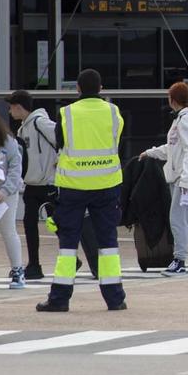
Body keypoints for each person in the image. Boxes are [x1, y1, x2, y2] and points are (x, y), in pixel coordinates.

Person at [35, 69, 127, 313]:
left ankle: (60, 299)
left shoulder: (66, 114)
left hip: (73, 187)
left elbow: (60, 143)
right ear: (101, 88)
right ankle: (114, 299)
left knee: (68, 245)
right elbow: (116, 141)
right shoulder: (113, 112)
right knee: (108, 243)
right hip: (106, 185)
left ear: (77, 88)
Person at [142, 81, 188, 276]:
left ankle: (179, 260)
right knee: (186, 217)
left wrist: (186, 180)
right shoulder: (182, 119)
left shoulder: (186, 120)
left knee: (177, 217)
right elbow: (174, 149)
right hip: (184, 174)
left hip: (186, 175)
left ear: (172, 100)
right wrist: (151, 152)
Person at [7, 92, 59, 282]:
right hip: (32, 184)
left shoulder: (40, 123)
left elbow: (62, 137)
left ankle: (69, 258)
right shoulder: (23, 129)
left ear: (19, 107)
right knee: (30, 224)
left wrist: (61, 158)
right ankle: (34, 264)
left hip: (48, 183)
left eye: (11, 106)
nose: (9, 111)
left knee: (57, 223)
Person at [0, 101, 27, 290]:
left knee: (8, 231)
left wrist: (5, 190)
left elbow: (16, 168)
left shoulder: (7, 140)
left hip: (5, 194)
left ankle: (18, 270)